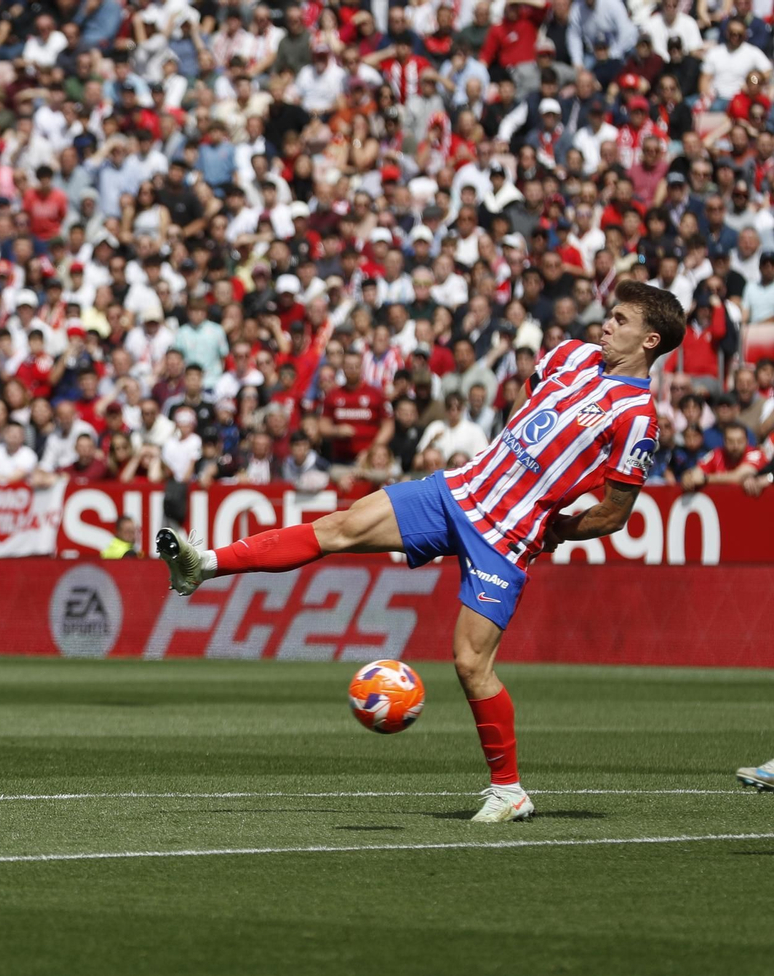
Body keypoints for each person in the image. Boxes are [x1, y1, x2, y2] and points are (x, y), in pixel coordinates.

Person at [157, 282, 683, 822]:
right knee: (340, 526)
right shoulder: (573, 355)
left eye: (619, 320)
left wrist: (557, 529)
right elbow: (529, 398)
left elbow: (614, 514)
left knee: (470, 663)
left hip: (507, 536)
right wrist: (506, 455)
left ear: (649, 340)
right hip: (459, 489)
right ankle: (206, 564)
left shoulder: (639, 419)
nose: (605, 325)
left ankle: (509, 789)